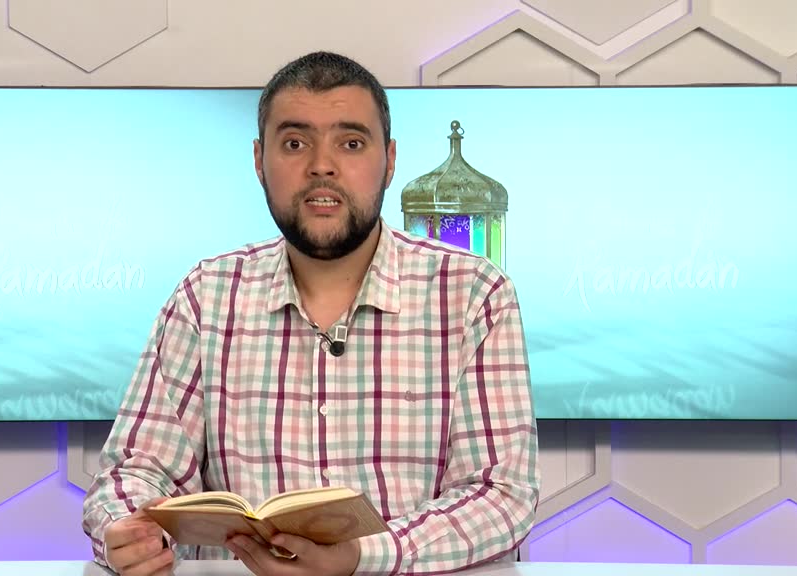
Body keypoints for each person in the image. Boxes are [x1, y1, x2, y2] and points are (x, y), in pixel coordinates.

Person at [83, 51, 540, 576]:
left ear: (390, 160)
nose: (322, 166)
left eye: (351, 143)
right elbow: (137, 471)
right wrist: (127, 530)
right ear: (259, 160)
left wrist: (363, 556)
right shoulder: (206, 296)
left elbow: (501, 495)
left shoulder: (474, 294)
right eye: (295, 143)